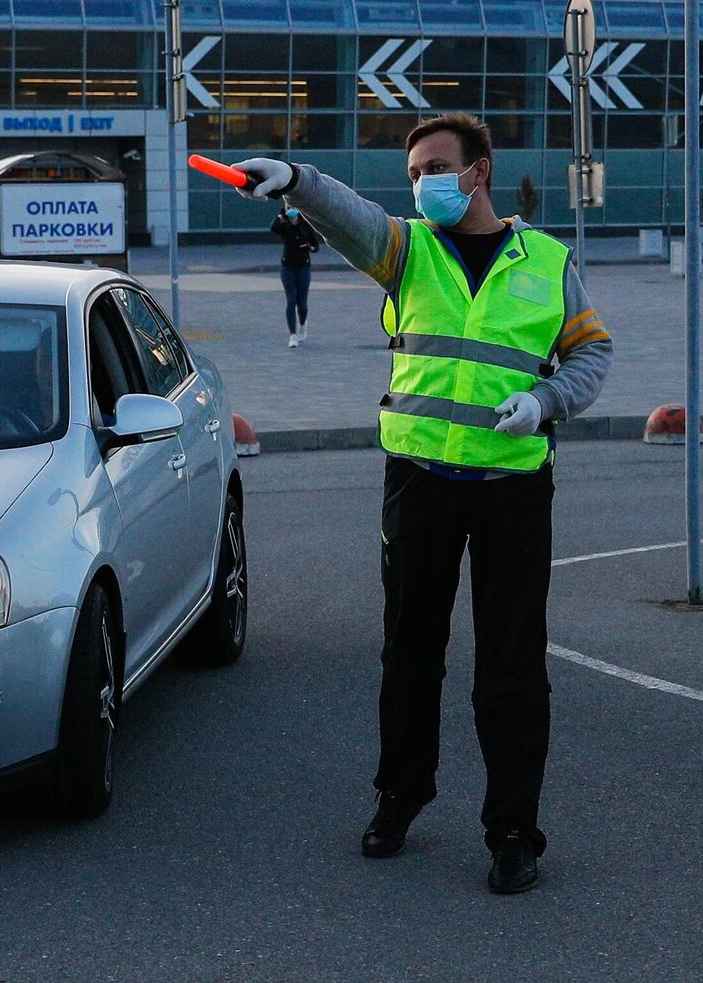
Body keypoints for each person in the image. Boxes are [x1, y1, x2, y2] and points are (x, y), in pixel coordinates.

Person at [231, 112, 611, 896]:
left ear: (479, 171)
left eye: (436, 165)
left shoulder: (547, 258)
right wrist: (298, 181)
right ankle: (400, 795)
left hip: (513, 488)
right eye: (413, 172)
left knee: (512, 667)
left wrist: (546, 402)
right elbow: (351, 215)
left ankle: (513, 829)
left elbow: (591, 350)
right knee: (409, 654)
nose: (422, 182)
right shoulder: (407, 251)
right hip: (420, 483)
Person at [270, 197, 323, 348]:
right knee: (291, 300)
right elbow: (273, 228)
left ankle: (303, 323)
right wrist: (281, 215)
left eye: (293, 206)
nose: (290, 209)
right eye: (288, 206)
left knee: (302, 303)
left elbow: (315, 245)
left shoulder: (305, 224)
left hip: (303, 266)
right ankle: (293, 334)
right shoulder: (284, 225)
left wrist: (309, 247)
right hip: (288, 267)